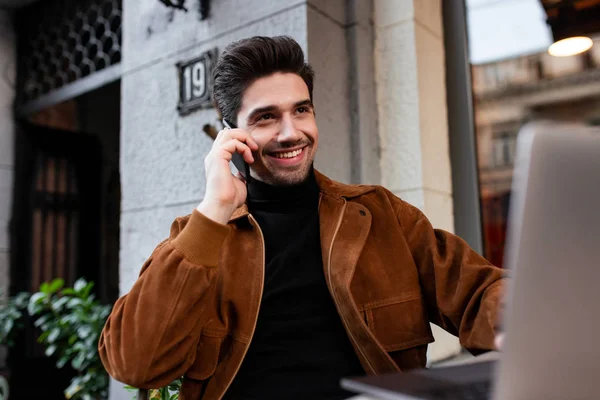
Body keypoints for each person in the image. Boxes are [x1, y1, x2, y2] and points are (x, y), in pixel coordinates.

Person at [99, 36, 507, 400]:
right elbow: (135, 365)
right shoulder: (198, 239)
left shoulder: (381, 215)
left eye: (301, 110)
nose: (291, 132)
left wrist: (519, 320)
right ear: (230, 134)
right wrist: (214, 211)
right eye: (266, 117)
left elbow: (476, 292)